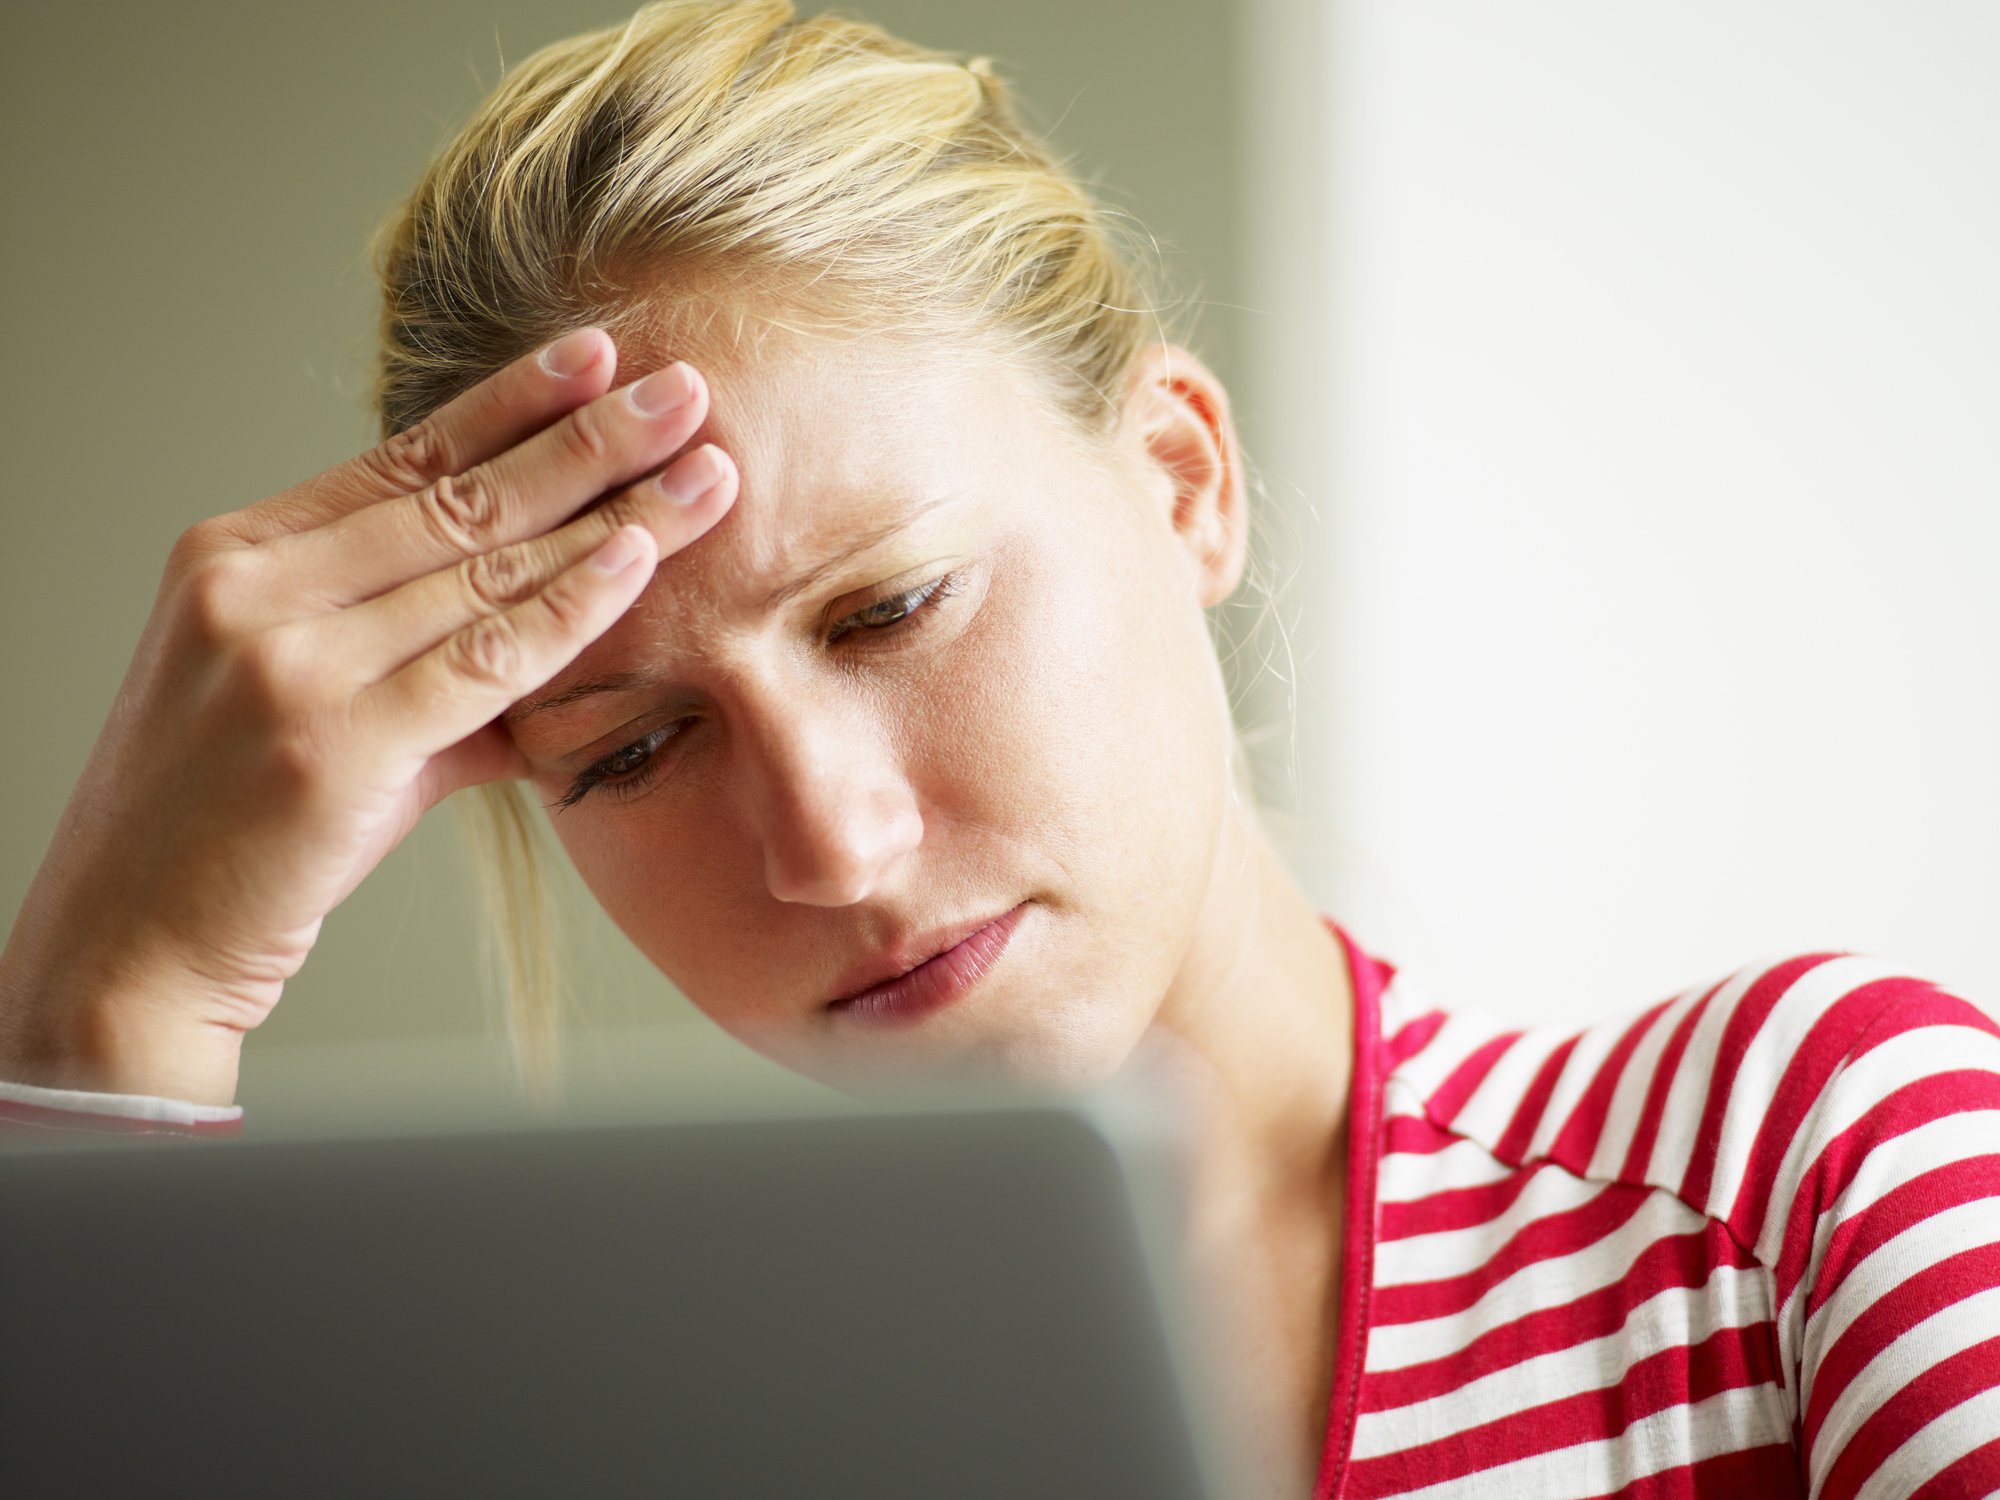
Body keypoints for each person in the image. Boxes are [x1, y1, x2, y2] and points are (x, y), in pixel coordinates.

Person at [2, 2, 1996, 1494]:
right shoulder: (613, 1441)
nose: (834, 845)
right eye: (629, 753)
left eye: (891, 609)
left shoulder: (1808, 1182)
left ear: (1180, 482)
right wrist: (116, 999)